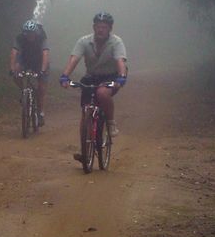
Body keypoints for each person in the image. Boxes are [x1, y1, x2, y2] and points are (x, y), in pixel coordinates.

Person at [59, 12, 127, 144]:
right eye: (98, 26)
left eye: (104, 27)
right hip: (91, 76)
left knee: (102, 93)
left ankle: (111, 122)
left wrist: (121, 77)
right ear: (94, 27)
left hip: (112, 75)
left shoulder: (116, 42)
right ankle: (84, 147)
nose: (101, 29)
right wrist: (65, 76)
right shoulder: (84, 41)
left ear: (110, 29)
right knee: (85, 111)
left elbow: (120, 61)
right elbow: (74, 59)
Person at [10, 19, 50, 126]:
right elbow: (14, 52)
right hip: (26, 60)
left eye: (32, 34)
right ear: (24, 33)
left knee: (41, 88)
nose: (29, 36)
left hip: (40, 61)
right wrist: (12, 68)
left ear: (36, 33)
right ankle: (24, 92)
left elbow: (45, 54)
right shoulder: (20, 38)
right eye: (27, 33)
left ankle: (40, 112)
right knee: (16, 73)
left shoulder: (41, 38)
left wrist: (42, 71)